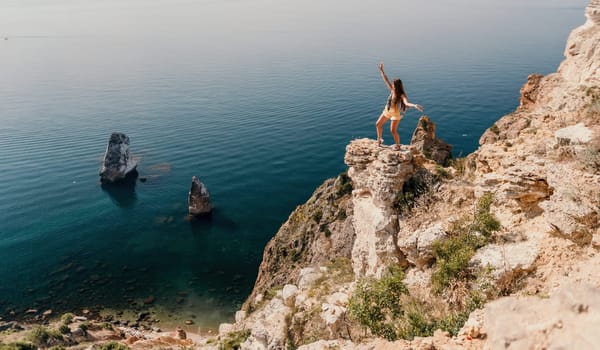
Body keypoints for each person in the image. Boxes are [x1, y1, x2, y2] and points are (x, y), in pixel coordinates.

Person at [375, 62, 423, 150]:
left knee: (393, 131)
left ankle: (398, 145)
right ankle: (379, 140)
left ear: (396, 86)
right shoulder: (392, 90)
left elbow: (406, 103)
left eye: (393, 84)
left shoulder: (401, 95)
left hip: (395, 114)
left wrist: (415, 105)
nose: (392, 85)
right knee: (378, 124)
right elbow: (385, 79)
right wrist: (382, 70)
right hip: (387, 110)